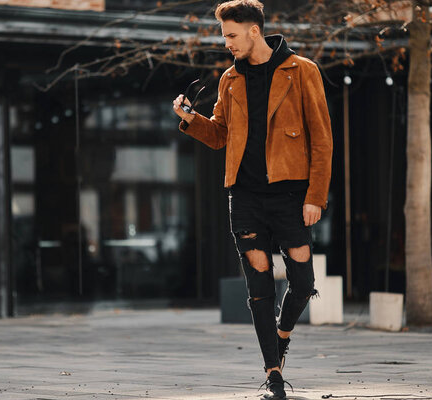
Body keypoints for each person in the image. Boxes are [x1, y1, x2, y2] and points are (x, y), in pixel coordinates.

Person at [172, 1, 333, 399]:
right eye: (224, 35)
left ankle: (282, 335)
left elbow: (323, 139)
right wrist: (191, 119)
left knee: (302, 283)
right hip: (244, 197)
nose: (226, 43)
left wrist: (315, 196)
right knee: (259, 288)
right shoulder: (230, 79)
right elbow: (220, 135)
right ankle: (273, 375)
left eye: (230, 35)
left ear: (254, 31)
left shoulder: (302, 70)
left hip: (291, 196)